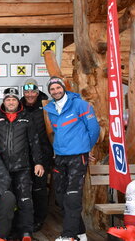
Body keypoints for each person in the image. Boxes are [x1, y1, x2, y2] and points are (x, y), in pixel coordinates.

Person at [43, 76, 100, 241]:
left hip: (77, 157)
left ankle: (69, 236)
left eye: (58, 88)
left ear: (64, 88)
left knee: (72, 195)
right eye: (52, 89)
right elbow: (57, 132)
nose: (55, 91)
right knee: (60, 196)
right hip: (60, 157)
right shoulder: (51, 109)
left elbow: (94, 129)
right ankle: (80, 233)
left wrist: (85, 148)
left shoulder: (80, 104)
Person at [0, 88, 44, 241]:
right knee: (5, 201)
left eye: (14, 99)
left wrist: (38, 163)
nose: (11, 102)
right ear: (4, 101)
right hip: (1, 169)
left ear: (18, 101)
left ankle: (26, 232)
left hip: (22, 167)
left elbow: (34, 143)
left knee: (25, 200)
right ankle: (6, 232)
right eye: (8, 99)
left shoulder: (26, 118)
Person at [20, 79, 54, 232]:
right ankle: (26, 219)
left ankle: (40, 219)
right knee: (25, 187)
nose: (30, 95)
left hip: (44, 153)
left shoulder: (48, 105)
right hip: (24, 154)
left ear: (38, 91)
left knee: (40, 188)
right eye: (27, 92)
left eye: (33, 91)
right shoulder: (19, 106)